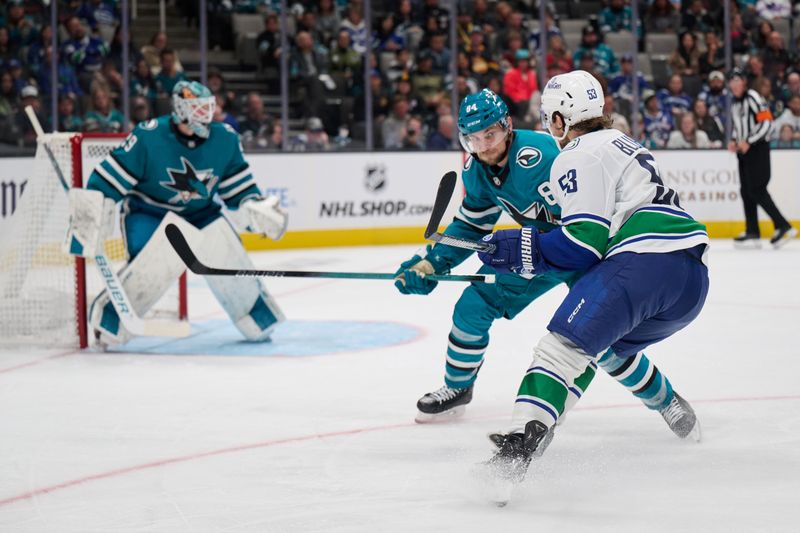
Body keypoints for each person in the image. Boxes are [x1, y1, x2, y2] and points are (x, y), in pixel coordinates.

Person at [394, 89, 699, 444]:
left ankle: (664, 399)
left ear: (507, 126)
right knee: (473, 305)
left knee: (599, 343)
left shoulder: (546, 154)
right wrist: (433, 263)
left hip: (586, 251)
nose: (483, 147)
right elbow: (472, 224)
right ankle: (457, 389)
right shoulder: (475, 169)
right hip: (535, 253)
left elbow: (590, 218)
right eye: (472, 139)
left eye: (489, 136)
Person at [475, 71, 709, 485]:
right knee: (602, 349)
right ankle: (669, 402)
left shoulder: (578, 154)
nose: (550, 127)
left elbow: (584, 243)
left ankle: (518, 445)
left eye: (550, 118)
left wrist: (518, 248)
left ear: (562, 119)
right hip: (690, 281)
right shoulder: (622, 141)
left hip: (645, 260)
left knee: (560, 349)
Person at [65, 81, 288, 346]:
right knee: (156, 261)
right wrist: (91, 215)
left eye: (208, 108)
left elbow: (238, 191)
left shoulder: (225, 138)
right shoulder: (149, 136)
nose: (206, 115)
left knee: (225, 249)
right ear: (181, 110)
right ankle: (111, 318)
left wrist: (254, 209)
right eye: (198, 109)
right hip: (150, 212)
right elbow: (108, 181)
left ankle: (254, 314)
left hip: (201, 214)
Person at [728, 69, 797, 248]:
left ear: (744, 82)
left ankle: (784, 226)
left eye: (737, 80)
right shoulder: (735, 103)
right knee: (746, 190)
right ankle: (752, 231)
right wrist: (735, 140)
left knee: (757, 189)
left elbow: (767, 123)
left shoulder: (753, 97)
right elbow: (738, 126)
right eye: (731, 81)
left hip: (758, 149)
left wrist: (749, 141)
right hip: (744, 152)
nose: (734, 84)